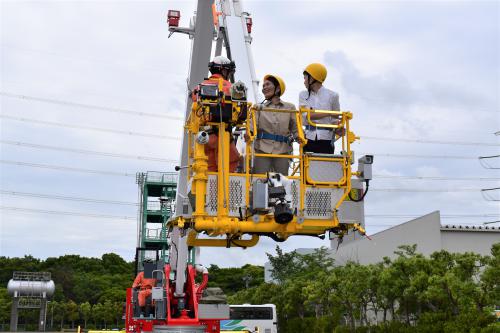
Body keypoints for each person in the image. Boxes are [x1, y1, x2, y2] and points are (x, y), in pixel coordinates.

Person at [247, 74, 299, 175]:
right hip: (262, 149)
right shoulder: (258, 108)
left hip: (283, 150)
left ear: (278, 88)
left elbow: (296, 128)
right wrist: (249, 132)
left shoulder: (290, 107)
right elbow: (252, 125)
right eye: (263, 86)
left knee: (282, 183)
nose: (264, 88)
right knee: (260, 182)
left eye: (268, 84)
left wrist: (300, 138)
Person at [197, 55, 240, 172]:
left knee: (206, 166)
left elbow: (194, 97)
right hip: (223, 136)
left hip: (205, 136)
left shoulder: (202, 85)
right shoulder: (230, 87)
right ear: (224, 70)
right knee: (230, 162)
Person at [299, 63, 340, 154]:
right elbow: (308, 116)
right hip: (308, 138)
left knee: (325, 167)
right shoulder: (303, 95)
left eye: (305, 78)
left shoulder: (333, 96)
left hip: (327, 139)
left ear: (312, 78)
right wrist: (329, 113)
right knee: (307, 167)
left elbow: (335, 120)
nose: (304, 81)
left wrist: (339, 128)